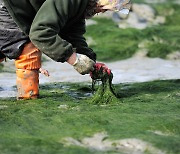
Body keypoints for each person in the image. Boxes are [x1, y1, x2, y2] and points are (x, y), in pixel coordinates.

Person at [0, 0, 131, 100]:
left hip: (24, 11)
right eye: (105, 8)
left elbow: (73, 35)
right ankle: (27, 104)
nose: (103, 12)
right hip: (10, 6)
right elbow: (40, 33)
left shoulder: (80, 6)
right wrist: (74, 60)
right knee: (27, 51)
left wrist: (92, 65)